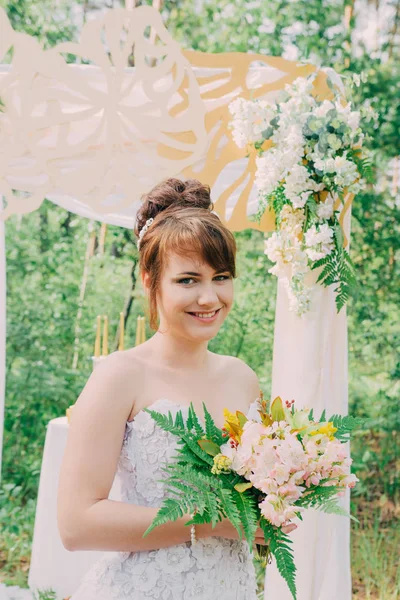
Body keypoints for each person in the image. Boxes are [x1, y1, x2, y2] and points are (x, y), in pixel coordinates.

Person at [57, 177, 293, 599]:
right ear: (150, 279)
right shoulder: (119, 376)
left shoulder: (242, 378)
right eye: (187, 280)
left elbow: (251, 496)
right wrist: (212, 522)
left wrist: (273, 509)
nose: (209, 297)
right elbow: (76, 525)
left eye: (221, 276)